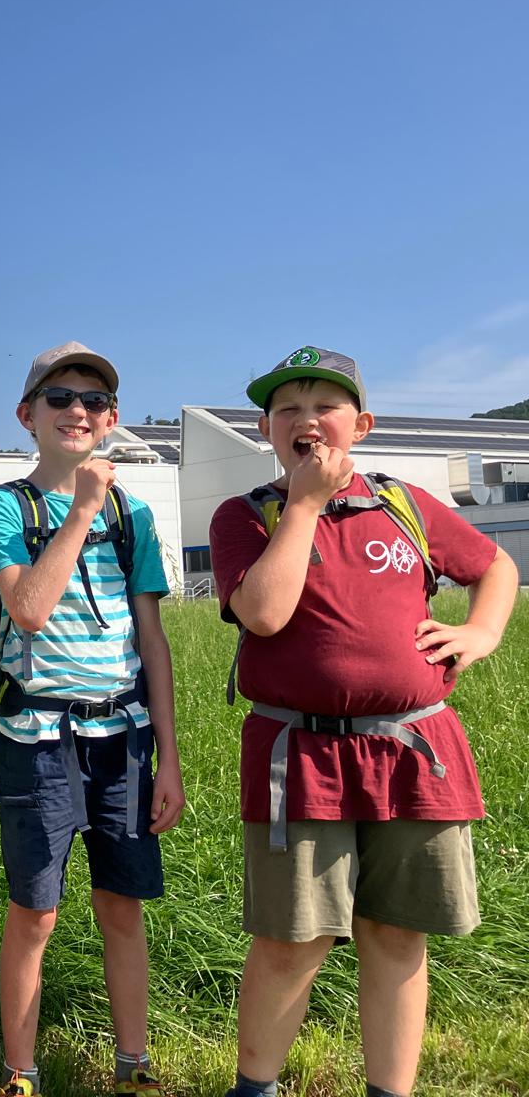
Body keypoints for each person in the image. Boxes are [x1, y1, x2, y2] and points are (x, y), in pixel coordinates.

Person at [209, 346, 519, 1097]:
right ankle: (255, 1088)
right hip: (300, 756)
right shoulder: (245, 516)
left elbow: (495, 567)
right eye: (288, 409)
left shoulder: (403, 505)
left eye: (326, 406)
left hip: (415, 749)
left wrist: (481, 632)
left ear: (363, 425)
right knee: (294, 939)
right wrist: (305, 505)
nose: (308, 420)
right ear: (266, 430)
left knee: (398, 933)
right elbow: (264, 613)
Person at [0, 343, 185, 1097]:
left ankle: (134, 1065)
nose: (78, 411)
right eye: (60, 397)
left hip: (123, 739)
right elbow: (29, 610)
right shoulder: (4, 506)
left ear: (111, 418)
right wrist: (83, 508)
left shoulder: (135, 515)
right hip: (37, 738)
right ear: (26, 415)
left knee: (122, 905)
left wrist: (169, 760)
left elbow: (152, 642)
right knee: (35, 912)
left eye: (94, 401)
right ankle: (21, 1073)